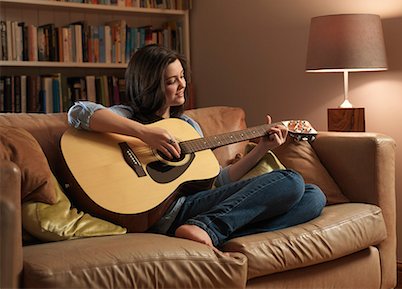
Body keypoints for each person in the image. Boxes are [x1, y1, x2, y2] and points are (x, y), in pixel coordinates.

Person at [68, 44, 326, 248]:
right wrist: (146, 134)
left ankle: (212, 230)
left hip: (197, 204)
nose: (182, 85)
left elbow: (218, 181)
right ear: (149, 85)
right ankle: (211, 228)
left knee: (314, 197)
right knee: (290, 179)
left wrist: (262, 149)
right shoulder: (126, 115)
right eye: (171, 81)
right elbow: (79, 112)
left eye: (182, 77)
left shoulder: (187, 125)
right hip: (166, 210)